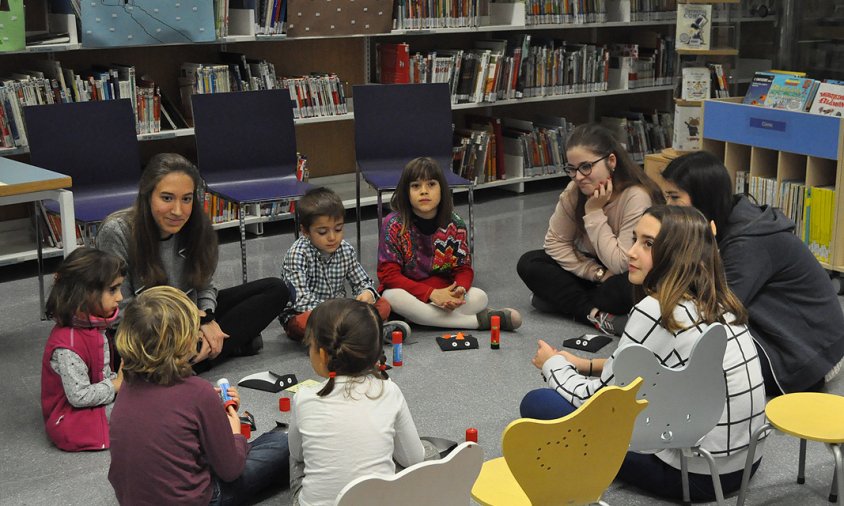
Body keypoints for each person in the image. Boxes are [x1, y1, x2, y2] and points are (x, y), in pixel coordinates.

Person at [521, 206, 766, 501]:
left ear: (677, 254)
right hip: (744, 465)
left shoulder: (657, 309)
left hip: (690, 475)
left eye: (647, 244)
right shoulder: (719, 302)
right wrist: (585, 365)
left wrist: (554, 365)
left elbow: (596, 401)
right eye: (635, 239)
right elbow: (663, 367)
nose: (631, 253)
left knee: (539, 403)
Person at [661, 150, 844, 394]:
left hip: (808, 356)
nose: (667, 208)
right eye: (667, 198)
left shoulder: (747, 242)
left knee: (690, 351)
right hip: (791, 338)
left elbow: (713, 310)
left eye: (675, 198)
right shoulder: (725, 221)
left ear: (703, 197)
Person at [96, 153, 290, 369]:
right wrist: (191, 324)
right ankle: (220, 348)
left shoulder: (196, 226)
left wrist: (207, 318)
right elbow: (119, 314)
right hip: (147, 328)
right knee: (141, 351)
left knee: (275, 289)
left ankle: (197, 353)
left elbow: (205, 287)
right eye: (167, 198)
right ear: (147, 195)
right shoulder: (117, 231)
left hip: (192, 317)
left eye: (186, 199)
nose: (178, 211)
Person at [108, 286, 289, 505]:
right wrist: (234, 434)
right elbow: (230, 469)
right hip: (202, 500)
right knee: (282, 443)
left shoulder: (128, 384)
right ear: (186, 340)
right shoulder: (198, 392)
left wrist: (210, 412)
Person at [516, 123, 664, 336]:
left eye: (586, 167)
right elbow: (554, 243)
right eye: (572, 169)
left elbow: (622, 263)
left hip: (629, 274)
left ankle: (562, 302)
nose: (578, 177)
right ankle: (595, 315)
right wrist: (597, 273)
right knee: (530, 263)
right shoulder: (575, 191)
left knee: (623, 290)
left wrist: (594, 212)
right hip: (599, 273)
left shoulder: (636, 196)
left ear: (611, 161)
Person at [288, 298, 425, 505]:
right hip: (379, 500)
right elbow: (413, 459)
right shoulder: (389, 390)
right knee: (417, 449)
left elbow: (298, 454)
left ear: (323, 355)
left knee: (294, 457)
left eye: (310, 345)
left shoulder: (304, 398)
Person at [377, 156, 522, 330]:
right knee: (392, 296)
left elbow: (463, 268)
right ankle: (477, 322)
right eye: (416, 186)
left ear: (442, 189)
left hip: (444, 291)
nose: (424, 191)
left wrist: (460, 289)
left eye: (431, 184)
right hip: (409, 293)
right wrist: (431, 294)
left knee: (480, 296)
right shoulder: (393, 224)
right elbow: (389, 276)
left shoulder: (455, 224)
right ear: (406, 192)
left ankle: (422, 318)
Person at [280, 187, 410, 342]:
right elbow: (302, 302)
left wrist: (367, 293)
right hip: (309, 314)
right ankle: (366, 333)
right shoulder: (297, 254)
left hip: (342, 312)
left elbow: (362, 282)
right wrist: (343, 312)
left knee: (383, 305)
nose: (332, 237)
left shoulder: (345, 249)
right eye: (322, 232)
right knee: (302, 323)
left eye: (338, 229)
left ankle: (345, 335)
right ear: (305, 231)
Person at [40, 247, 126, 452]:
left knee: (144, 398)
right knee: (139, 412)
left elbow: (102, 373)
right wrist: (117, 385)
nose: (121, 297)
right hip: (70, 418)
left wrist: (121, 382)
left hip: (95, 401)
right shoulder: (67, 345)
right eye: (113, 290)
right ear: (84, 294)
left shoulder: (94, 327)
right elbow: (78, 397)